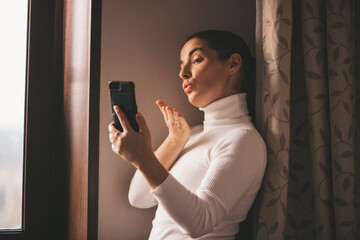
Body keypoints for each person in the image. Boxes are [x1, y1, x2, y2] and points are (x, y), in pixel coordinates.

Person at [108, 30, 267, 239]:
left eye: (196, 59)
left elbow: (200, 223)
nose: (182, 72)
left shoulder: (243, 140)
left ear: (233, 64)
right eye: (181, 64)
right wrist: (174, 141)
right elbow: (139, 197)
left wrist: (143, 157)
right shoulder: (192, 134)